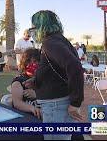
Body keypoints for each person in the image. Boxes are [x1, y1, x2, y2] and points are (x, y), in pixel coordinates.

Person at [29, 10, 84, 140]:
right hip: (59, 104)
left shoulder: (50, 43)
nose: (33, 30)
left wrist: (75, 103)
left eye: (34, 26)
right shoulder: (58, 40)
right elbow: (59, 70)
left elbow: (75, 67)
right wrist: (36, 80)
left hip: (56, 106)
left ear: (42, 26)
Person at [11, 48, 41, 118]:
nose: (32, 64)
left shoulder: (43, 79)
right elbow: (17, 103)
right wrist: (32, 108)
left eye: (35, 61)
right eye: (28, 61)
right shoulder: (19, 81)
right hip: (27, 118)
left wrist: (37, 95)